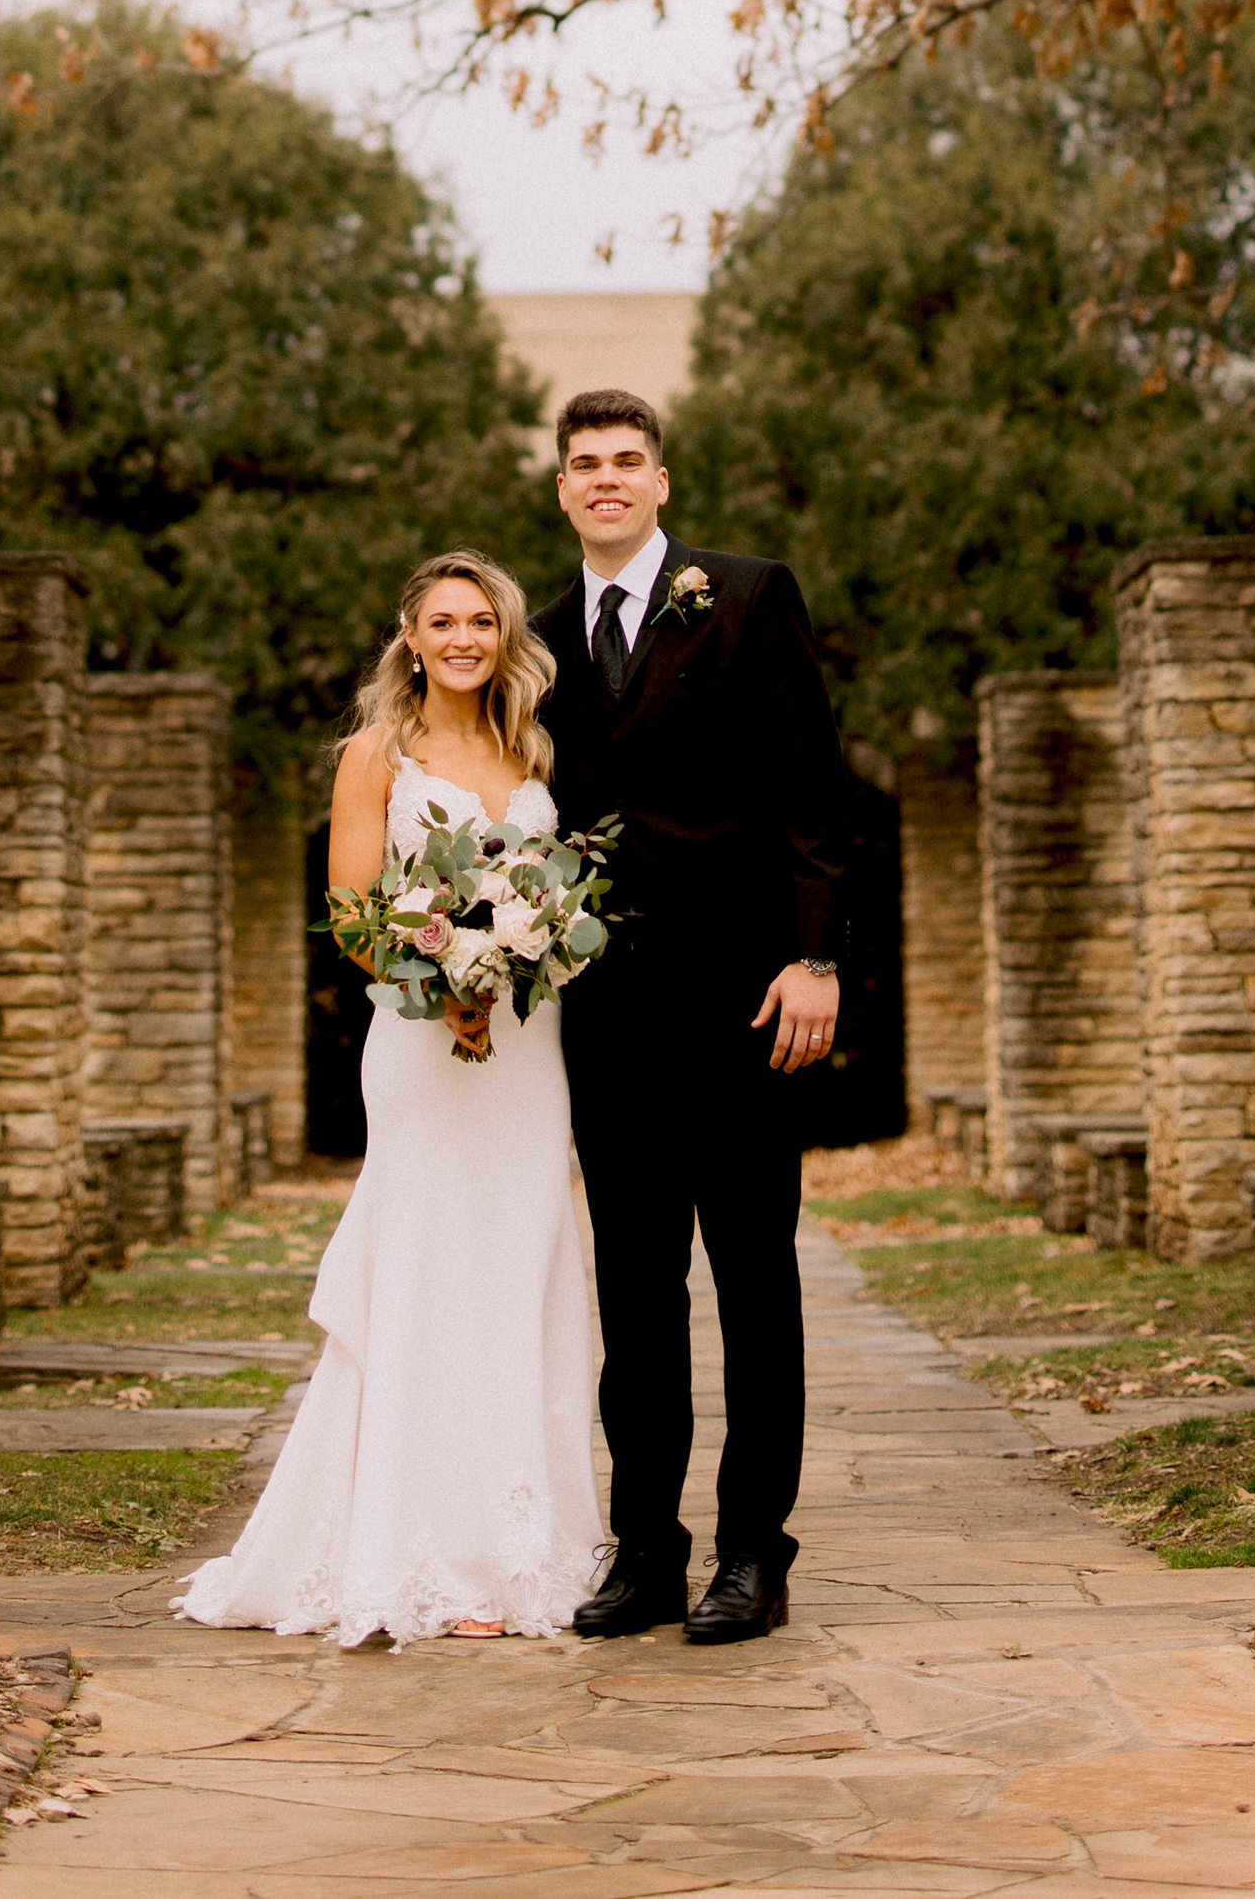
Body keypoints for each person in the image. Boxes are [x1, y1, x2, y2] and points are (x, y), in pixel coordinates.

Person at [171, 551, 604, 1645]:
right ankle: (425, 1558)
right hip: (420, 1043)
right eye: (443, 622)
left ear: (505, 638)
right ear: (410, 638)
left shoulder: (534, 750)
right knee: (426, 1271)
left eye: (482, 623)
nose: (464, 639)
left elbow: (560, 890)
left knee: (521, 1267)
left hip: (527, 1046)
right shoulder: (376, 756)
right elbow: (356, 911)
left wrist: (517, 962)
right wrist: (447, 978)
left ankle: (519, 1550)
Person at [534, 390, 852, 1647]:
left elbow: (814, 791)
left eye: (627, 461)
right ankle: (648, 1552)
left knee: (756, 1285)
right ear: (562, 489)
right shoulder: (541, 640)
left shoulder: (749, 593)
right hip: (606, 1021)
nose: (606, 479)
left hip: (746, 1007)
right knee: (637, 1294)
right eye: (584, 465)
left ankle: (751, 1558)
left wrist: (814, 957)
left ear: (661, 482)